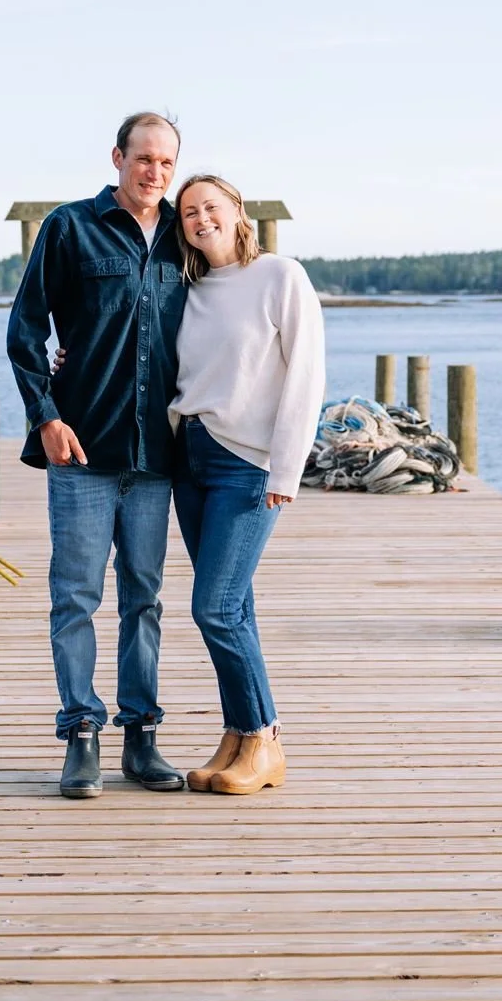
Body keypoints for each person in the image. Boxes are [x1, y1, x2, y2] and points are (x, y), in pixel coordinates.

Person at [6, 112, 190, 799]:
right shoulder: (68, 227)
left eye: (167, 163)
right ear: (118, 157)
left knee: (144, 598)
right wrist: (45, 416)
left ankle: (141, 736)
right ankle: (81, 733)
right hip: (81, 450)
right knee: (76, 597)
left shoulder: (185, 237)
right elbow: (26, 329)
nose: (155, 172)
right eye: (144, 158)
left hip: (156, 454)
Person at [165, 173, 326, 795]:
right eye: (187, 213)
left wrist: (287, 467)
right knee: (236, 605)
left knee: (214, 606)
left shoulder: (282, 276)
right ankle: (237, 737)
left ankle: (264, 738)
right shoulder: (189, 288)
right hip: (191, 459)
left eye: (210, 206)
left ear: (236, 212)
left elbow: (306, 376)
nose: (200, 218)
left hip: (248, 463)